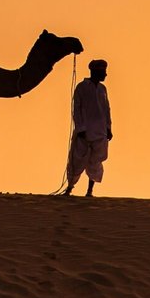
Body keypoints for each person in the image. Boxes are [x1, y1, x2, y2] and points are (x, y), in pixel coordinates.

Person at [64, 59, 112, 196]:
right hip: (84, 132)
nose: (105, 74)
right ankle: (69, 188)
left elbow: (106, 109)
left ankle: (89, 191)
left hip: (100, 132)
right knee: (77, 160)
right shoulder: (81, 87)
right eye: (103, 71)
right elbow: (76, 109)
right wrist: (81, 128)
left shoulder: (103, 89)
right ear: (96, 72)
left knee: (95, 162)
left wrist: (108, 128)